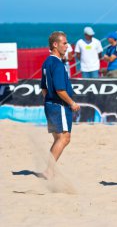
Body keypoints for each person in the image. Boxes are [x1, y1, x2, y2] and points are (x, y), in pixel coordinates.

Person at [40, 31, 81, 179]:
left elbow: (44, 88)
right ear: (55, 45)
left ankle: (49, 170)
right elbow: (60, 89)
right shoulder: (57, 63)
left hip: (51, 105)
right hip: (59, 106)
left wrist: (48, 101)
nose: (67, 45)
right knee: (64, 138)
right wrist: (72, 103)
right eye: (64, 43)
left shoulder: (47, 62)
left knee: (59, 139)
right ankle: (48, 171)